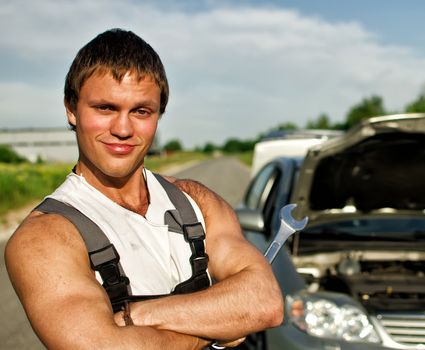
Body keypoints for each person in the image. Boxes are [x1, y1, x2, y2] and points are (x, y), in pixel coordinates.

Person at [5, 28, 283, 349]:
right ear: (71, 109)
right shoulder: (44, 237)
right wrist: (225, 324)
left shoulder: (196, 201)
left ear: (158, 115)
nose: (123, 129)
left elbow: (264, 301)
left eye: (141, 111)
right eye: (105, 108)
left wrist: (135, 316)